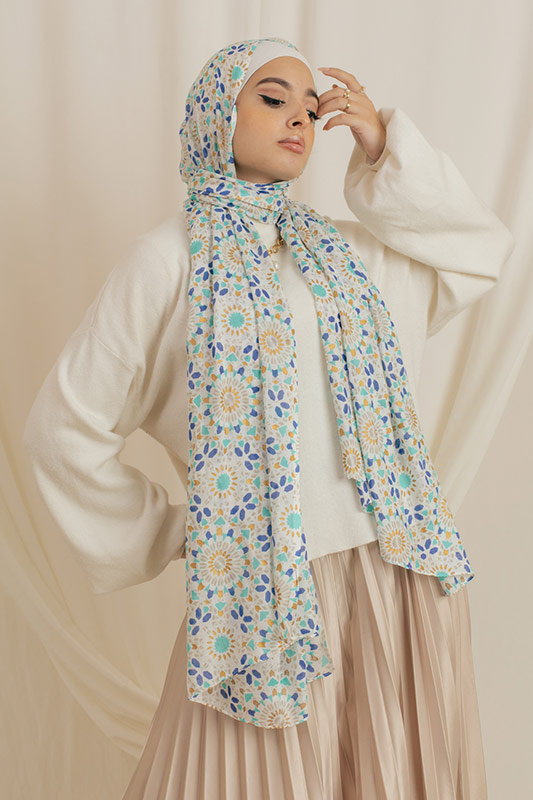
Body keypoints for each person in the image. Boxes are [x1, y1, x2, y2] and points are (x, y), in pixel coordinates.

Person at [23, 36, 514, 800]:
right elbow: (62, 430)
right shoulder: (168, 261)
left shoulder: (346, 256)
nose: (298, 120)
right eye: (272, 98)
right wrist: (177, 530)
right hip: (262, 591)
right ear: (217, 114)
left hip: (396, 567)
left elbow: (476, 253)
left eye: (310, 109)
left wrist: (382, 150)